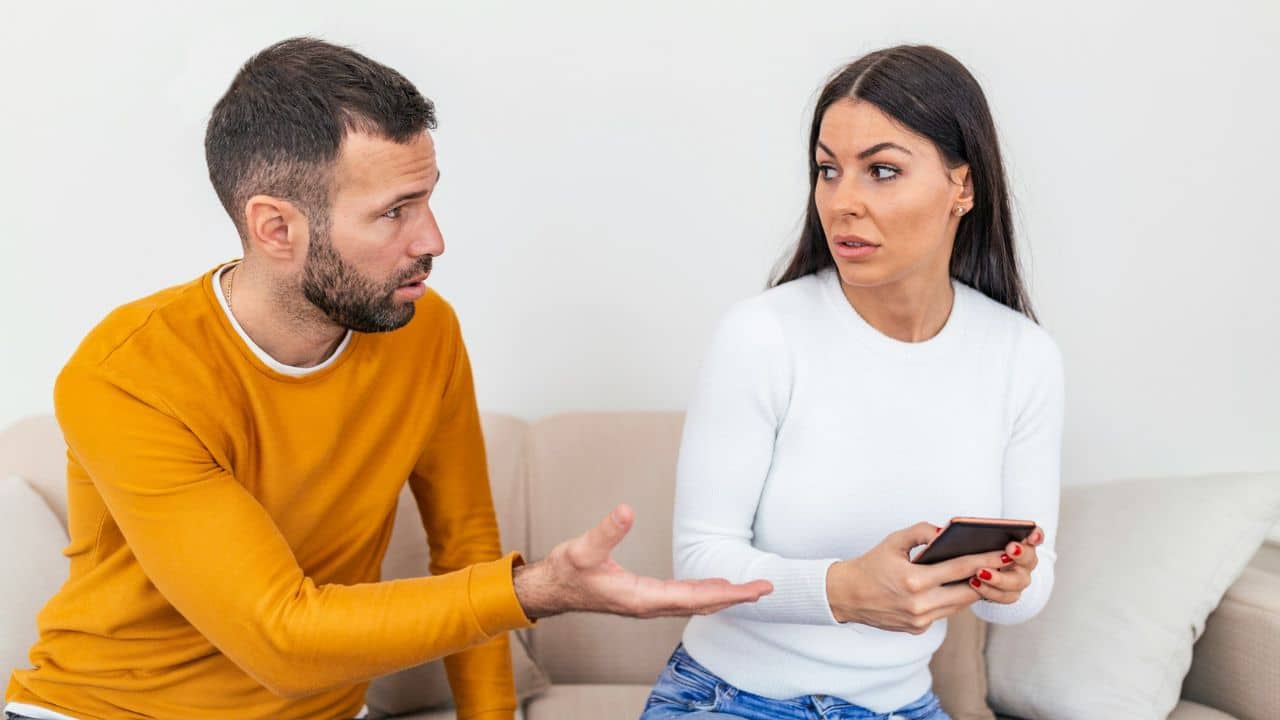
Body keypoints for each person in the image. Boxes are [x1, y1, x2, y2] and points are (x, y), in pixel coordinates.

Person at [3, 37, 772, 720]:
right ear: (277, 228)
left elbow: (466, 545)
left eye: (428, 198)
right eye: (395, 211)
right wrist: (534, 589)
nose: (432, 239)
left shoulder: (423, 329)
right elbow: (282, 640)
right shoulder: (129, 375)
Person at [641, 45, 1063, 720]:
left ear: (964, 185)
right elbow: (699, 560)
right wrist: (842, 589)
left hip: (902, 706)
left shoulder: (1024, 356)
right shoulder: (763, 335)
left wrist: (1006, 578)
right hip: (731, 701)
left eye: (883, 171)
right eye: (828, 171)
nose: (843, 202)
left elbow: (1026, 597)